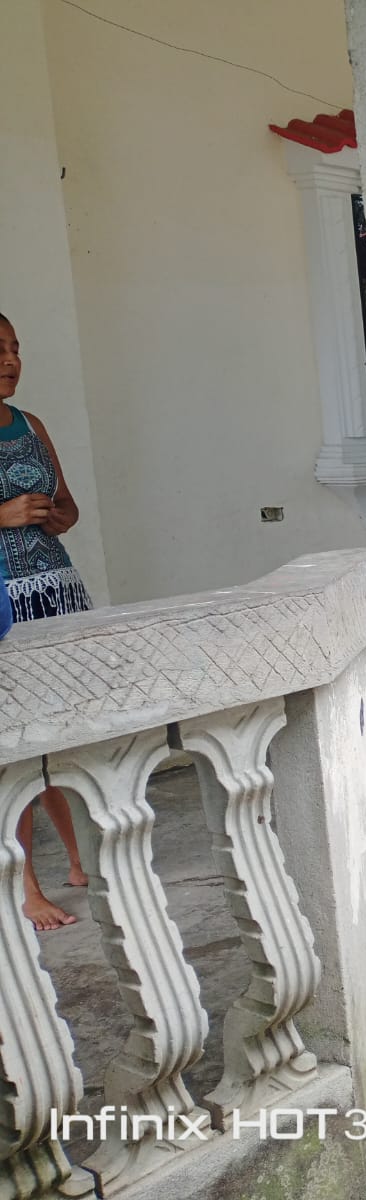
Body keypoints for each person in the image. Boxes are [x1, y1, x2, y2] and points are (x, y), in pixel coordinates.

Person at [0, 311, 90, 931]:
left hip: (56, 591)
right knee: (15, 747)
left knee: (65, 733)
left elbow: (69, 505)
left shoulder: (31, 425)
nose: (11, 360)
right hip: (5, 606)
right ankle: (26, 886)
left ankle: (82, 863)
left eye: (15, 348)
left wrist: (59, 518)